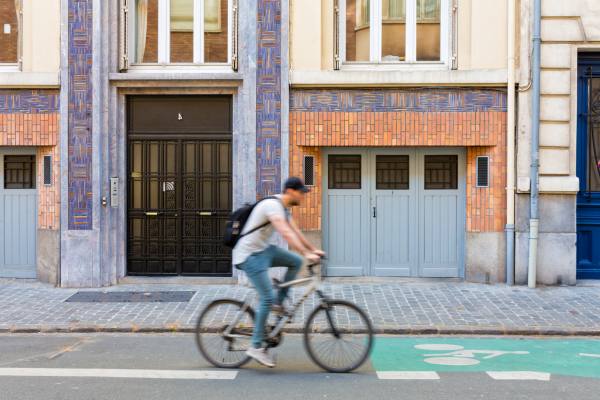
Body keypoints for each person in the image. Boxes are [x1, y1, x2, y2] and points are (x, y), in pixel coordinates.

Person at [233, 177, 325, 368]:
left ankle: (278, 302)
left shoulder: (283, 209)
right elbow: (286, 233)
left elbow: (296, 232)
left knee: (296, 261)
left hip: (263, 251)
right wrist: (308, 253)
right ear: (290, 191)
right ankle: (256, 346)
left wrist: (312, 250)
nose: (303, 197)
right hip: (249, 256)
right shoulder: (272, 206)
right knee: (266, 298)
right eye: (301, 193)